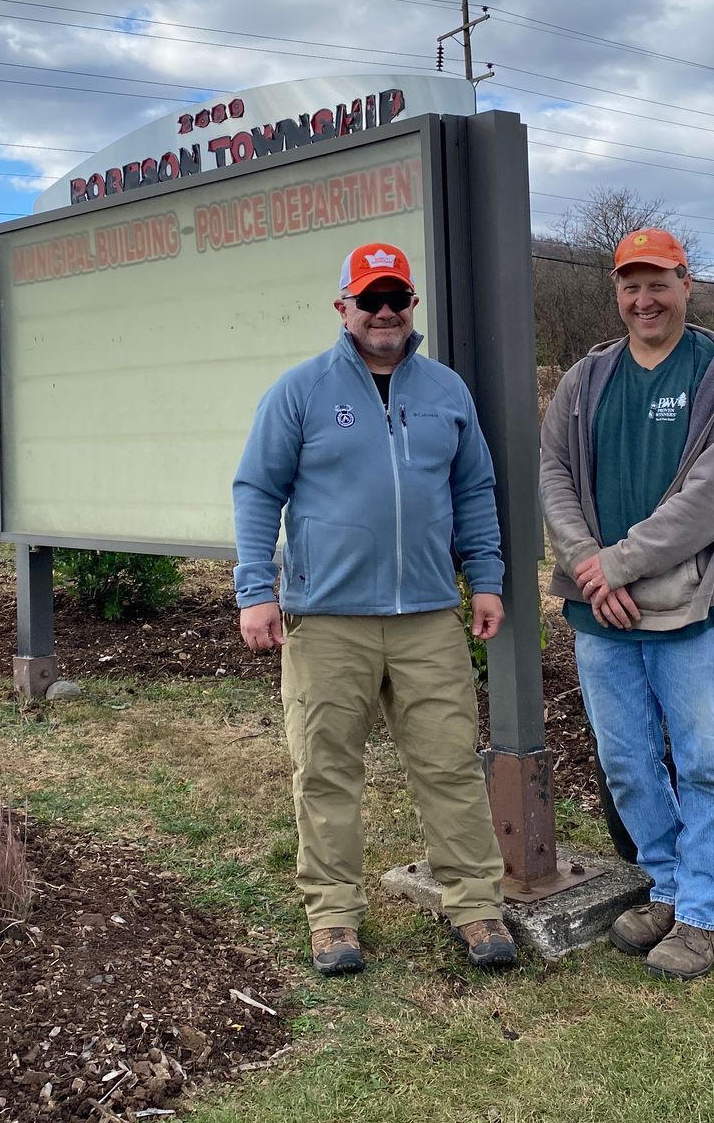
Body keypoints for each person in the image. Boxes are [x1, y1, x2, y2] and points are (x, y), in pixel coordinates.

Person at [233, 241, 519, 976]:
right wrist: (255, 591)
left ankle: (476, 905)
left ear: (412, 306)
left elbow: (474, 493)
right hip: (328, 620)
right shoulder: (299, 392)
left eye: (397, 298)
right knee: (325, 771)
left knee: (451, 763)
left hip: (427, 615)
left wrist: (485, 579)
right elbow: (258, 491)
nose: (385, 312)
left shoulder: (447, 392)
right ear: (343, 308)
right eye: (370, 299)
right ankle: (333, 917)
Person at [539, 228, 714, 980]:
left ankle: (705, 915)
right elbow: (555, 475)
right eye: (630, 286)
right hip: (601, 610)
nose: (645, 300)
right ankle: (667, 887)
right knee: (629, 762)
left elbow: (711, 499)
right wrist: (587, 567)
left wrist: (619, 563)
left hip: (688, 608)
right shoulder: (586, 380)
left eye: (658, 283)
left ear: (685, 283)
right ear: (616, 292)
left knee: (702, 761)